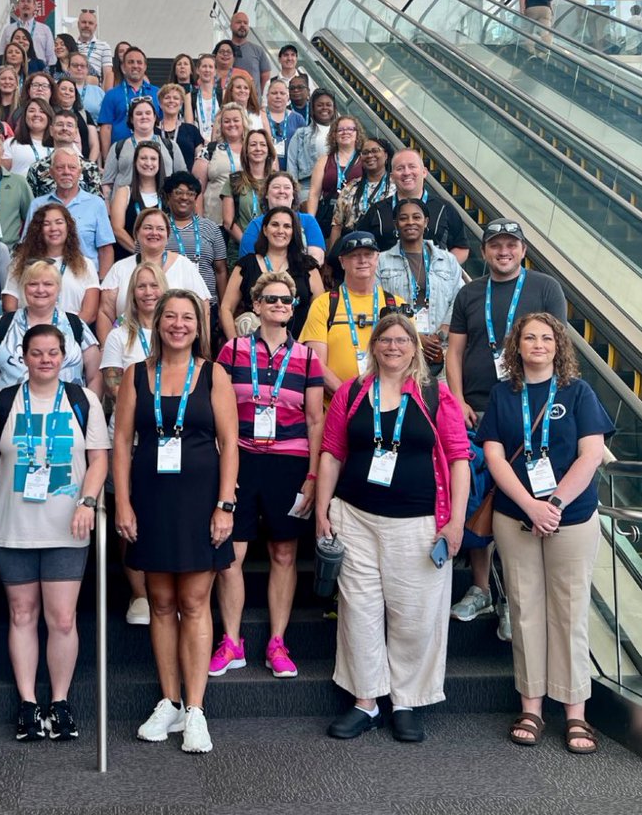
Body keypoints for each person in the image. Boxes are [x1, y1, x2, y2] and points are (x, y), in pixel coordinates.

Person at [315, 312, 470, 743]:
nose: (394, 347)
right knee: (359, 613)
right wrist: (324, 510)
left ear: (414, 347)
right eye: (386, 339)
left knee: (415, 616)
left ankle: (406, 701)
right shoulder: (351, 392)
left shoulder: (435, 394)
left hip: (419, 522)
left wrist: (455, 521)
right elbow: (331, 452)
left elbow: (459, 459)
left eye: (402, 340)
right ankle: (366, 701)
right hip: (355, 518)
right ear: (374, 345)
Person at [476, 313, 611, 754]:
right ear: (517, 346)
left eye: (546, 338)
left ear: (558, 346)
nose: (538, 344)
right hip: (516, 517)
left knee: (570, 613)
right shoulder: (502, 394)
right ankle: (531, 707)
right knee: (525, 610)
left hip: (570, 518)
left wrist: (552, 505)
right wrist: (531, 505)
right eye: (529, 337)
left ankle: (576, 714)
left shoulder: (578, 392)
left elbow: (591, 455)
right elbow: (494, 458)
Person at [113, 290, 238, 753]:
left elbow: (231, 443)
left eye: (187, 317)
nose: (178, 324)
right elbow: (122, 442)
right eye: (170, 316)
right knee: (160, 600)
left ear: (198, 326)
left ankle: (197, 709)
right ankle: (170, 702)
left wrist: (225, 505)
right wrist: (122, 504)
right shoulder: (134, 375)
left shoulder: (214, 375)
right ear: (156, 322)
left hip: (201, 502)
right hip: (150, 500)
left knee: (195, 599)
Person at [0, 323, 109, 740]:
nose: (46, 359)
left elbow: (100, 459)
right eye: (37, 353)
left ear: (64, 355)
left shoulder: (82, 399)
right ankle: (29, 704)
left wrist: (88, 501)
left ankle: (61, 701)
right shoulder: (4, 400)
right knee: (22, 614)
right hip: (12, 527)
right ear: (23, 357)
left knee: (63, 619)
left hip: (68, 526)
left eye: (53, 352)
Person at [445, 218, 567, 627]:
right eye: (495, 245)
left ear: (523, 249)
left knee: (521, 500)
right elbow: (454, 352)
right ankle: (480, 587)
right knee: (481, 497)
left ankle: (513, 599)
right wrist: (457, 399)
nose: (504, 251)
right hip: (477, 411)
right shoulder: (469, 293)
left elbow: (558, 348)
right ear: (484, 252)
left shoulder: (545, 288)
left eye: (511, 245)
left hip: (528, 414)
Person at [212, 272, 324, 681]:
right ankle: (231, 640)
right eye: (271, 299)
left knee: (283, 554)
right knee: (231, 556)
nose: (279, 305)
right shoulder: (233, 350)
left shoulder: (308, 358)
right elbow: (218, 413)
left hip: (289, 463)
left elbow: (315, 420)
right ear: (255, 305)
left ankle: (277, 642)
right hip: (240, 460)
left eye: (287, 300)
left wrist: (312, 477)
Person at [301, 230, 404, 399]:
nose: (362, 260)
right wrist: (350, 398)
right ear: (342, 261)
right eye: (354, 255)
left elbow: (411, 361)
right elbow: (316, 363)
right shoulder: (324, 304)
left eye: (368, 254)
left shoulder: (397, 305)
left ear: (377, 258)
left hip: (389, 406)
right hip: (337, 408)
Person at [0, 261, 101, 402]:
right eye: (33, 284)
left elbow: (95, 377)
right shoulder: (0, 325)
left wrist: (89, 414)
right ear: (23, 288)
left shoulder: (76, 325)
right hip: (9, 417)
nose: (40, 290)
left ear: (58, 289)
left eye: (48, 284)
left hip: (68, 418)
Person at [376, 199, 463, 373]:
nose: (410, 222)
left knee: (441, 398)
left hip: (441, 349)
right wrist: (413, 336)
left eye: (417, 217)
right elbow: (377, 302)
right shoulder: (381, 261)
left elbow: (458, 298)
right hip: (400, 352)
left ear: (426, 222)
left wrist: (445, 328)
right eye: (403, 218)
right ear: (395, 224)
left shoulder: (447, 260)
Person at [98, 209, 211, 340]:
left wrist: (203, 351)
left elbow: (203, 311)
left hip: (177, 348)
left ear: (168, 235)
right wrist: (107, 350)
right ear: (136, 233)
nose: (154, 233)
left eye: (160, 229)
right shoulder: (120, 268)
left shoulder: (184, 265)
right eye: (148, 228)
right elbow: (105, 313)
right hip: (127, 347)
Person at [221, 207, 324, 341]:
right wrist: (235, 346)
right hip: (253, 353)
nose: (280, 231)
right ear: (265, 230)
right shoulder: (246, 265)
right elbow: (226, 308)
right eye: (275, 225)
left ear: (293, 232)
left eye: (287, 226)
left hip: (298, 351)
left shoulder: (307, 267)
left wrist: (306, 348)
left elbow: (320, 313)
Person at [356, 149, 469, 264]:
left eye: (412, 166)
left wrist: (444, 268)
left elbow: (461, 247)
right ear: (392, 177)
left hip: (432, 279)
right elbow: (361, 248)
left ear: (424, 172)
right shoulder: (377, 211)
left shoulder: (444, 208)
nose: (406, 172)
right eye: (400, 168)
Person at [2, 203, 100, 323]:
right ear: (38, 230)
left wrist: (66, 333)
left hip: (72, 336)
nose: (53, 228)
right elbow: (10, 305)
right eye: (46, 224)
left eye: (59, 222)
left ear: (68, 227)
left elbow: (89, 313)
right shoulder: (20, 263)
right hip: (27, 334)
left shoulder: (86, 265)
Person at [23, 149, 115, 276]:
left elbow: (105, 249)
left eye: (72, 167)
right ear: (51, 172)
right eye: (60, 167)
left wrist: (102, 283)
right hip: (46, 278)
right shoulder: (38, 205)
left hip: (86, 278)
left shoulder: (96, 204)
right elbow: (27, 246)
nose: (66, 172)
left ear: (79, 172)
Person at [162, 173, 228, 320]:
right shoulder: (158, 227)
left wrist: (224, 309)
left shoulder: (211, 228)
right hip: (167, 307)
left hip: (206, 307)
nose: (184, 197)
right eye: (178, 192)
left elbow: (221, 270)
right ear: (168, 197)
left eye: (190, 193)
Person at [100, 263, 166, 404]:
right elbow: (114, 389)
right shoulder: (117, 336)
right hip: (130, 420)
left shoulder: (176, 334)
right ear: (133, 293)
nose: (148, 292)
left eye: (154, 285)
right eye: (141, 286)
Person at [237, 170, 326, 266]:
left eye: (287, 188)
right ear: (266, 194)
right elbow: (246, 264)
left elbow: (317, 260)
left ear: (293, 195)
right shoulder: (256, 225)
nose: (282, 191)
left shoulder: (308, 221)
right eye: (276, 187)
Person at [102, 97, 185, 197]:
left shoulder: (170, 146)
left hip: (163, 205)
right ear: (131, 119)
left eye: (148, 113)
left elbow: (183, 179)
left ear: (155, 118)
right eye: (138, 114)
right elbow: (107, 183)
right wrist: (108, 207)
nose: (144, 116)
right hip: (126, 207)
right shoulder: (118, 147)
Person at [220, 129, 276, 263]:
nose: (258, 148)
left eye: (263, 144)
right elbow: (228, 222)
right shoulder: (234, 180)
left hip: (273, 248)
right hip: (241, 247)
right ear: (245, 150)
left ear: (269, 150)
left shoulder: (276, 180)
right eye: (253, 144)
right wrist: (249, 243)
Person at [307, 115, 365, 240]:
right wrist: (310, 221)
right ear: (334, 135)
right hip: (327, 214)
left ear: (357, 133)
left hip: (354, 216)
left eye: (350, 129)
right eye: (340, 129)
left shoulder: (364, 160)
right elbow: (314, 193)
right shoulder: (324, 160)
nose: (345, 132)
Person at [329, 137, 394, 246]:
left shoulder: (397, 185)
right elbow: (337, 225)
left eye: (375, 151)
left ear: (386, 155)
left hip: (386, 247)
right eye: (365, 152)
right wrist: (333, 258)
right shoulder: (351, 187)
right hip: (353, 248)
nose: (369, 155)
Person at [98, 46, 161, 154]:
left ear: (145, 67)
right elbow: (106, 128)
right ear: (123, 67)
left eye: (139, 62)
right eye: (131, 62)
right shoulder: (111, 94)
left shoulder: (157, 93)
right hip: (121, 153)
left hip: (152, 154)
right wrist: (107, 158)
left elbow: (163, 123)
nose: (135, 65)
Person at [194, 103, 249, 224]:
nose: (232, 124)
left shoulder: (253, 149)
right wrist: (200, 223)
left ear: (243, 123)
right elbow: (197, 190)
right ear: (221, 125)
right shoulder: (209, 150)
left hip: (246, 221)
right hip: (214, 221)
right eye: (227, 121)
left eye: (236, 120)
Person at [26, 112, 104, 197]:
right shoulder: (36, 168)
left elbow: (98, 204)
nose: (64, 128)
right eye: (60, 124)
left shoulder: (90, 168)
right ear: (51, 131)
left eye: (69, 125)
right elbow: (32, 205)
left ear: (76, 133)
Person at [110, 140, 167, 256]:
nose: (148, 163)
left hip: (163, 260)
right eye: (143, 158)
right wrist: (142, 253)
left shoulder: (168, 194)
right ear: (135, 162)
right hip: (131, 259)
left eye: (153, 159)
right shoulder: (124, 192)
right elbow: (117, 229)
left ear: (159, 163)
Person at [287, 89, 337, 202]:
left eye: (328, 105)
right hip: (307, 188)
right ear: (313, 109)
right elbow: (291, 166)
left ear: (334, 108)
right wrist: (294, 193)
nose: (324, 108)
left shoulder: (342, 133)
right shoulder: (301, 134)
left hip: (335, 188)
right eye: (320, 105)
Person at [0, 0, 56, 66]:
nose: (25, 4)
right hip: (13, 72)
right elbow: (2, 54)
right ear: (18, 5)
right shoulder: (8, 30)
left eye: (29, 1)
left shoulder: (45, 30)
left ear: (35, 6)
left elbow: (51, 56)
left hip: (37, 71)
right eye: (22, 1)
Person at [156, 83, 203, 172]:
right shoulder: (153, 131)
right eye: (167, 98)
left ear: (181, 104)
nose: (171, 101)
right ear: (160, 103)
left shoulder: (192, 130)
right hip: (160, 181)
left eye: (176, 98)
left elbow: (199, 160)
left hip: (186, 182)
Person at [3, 98, 54, 176]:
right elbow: (1, 174)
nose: (36, 114)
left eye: (42, 111)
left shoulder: (59, 144)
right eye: (31, 111)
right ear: (24, 117)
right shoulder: (11, 143)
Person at [262, 79, 306, 170]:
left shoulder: (298, 119)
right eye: (274, 93)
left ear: (288, 98)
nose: (278, 96)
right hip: (263, 169)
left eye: (282, 93)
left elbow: (304, 148)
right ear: (267, 96)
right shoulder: (258, 116)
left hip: (291, 170)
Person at [229, 11, 270, 93]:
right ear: (231, 26)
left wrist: (258, 95)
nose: (242, 25)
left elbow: (265, 75)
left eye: (245, 23)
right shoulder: (223, 50)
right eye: (238, 22)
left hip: (253, 102)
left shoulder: (258, 50)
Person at [75, 7, 114, 89]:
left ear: (95, 27)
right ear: (78, 24)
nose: (87, 25)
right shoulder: (71, 45)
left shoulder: (104, 46)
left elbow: (108, 74)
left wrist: (103, 96)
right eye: (83, 22)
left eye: (90, 23)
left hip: (93, 91)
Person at [186, 54, 220, 141]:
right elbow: (189, 125)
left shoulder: (222, 94)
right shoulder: (190, 96)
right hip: (197, 144)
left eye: (210, 67)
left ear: (215, 71)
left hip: (219, 143)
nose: (207, 70)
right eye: (204, 66)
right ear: (197, 70)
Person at [67, 51, 104, 122]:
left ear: (87, 70)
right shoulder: (60, 89)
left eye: (82, 66)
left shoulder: (98, 91)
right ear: (68, 69)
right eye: (75, 65)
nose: (79, 68)